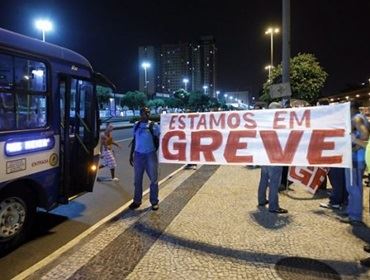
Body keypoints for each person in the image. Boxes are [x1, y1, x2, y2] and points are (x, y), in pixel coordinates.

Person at [340, 102, 369, 225]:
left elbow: (365, 136)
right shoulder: (360, 117)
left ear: (351, 108)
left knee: (354, 187)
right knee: (352, 186)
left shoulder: (356, 118)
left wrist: (353, 147)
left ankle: (355, 216)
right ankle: (352, 211)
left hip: (355, 159)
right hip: (356, 158)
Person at [257, 101, 288, 214]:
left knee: (264, 179)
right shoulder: (280, 124)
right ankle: (273, 206)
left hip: (264, 155)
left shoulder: (263, 122)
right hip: (275, 155)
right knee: (274, 182)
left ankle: (261, 200)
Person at [129, 107, 160, 211]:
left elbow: (158, 140)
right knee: (137, 180)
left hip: (150, 155)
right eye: (144, 112)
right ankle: (137, 201)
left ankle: (154, 202)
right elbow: (134, 140)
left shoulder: (154, 126)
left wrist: (153, 151)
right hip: (138, 155)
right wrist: (131, 154)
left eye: (148, 112)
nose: (147, 114)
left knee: (154, 180)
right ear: (140, 113)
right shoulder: (136, 125)